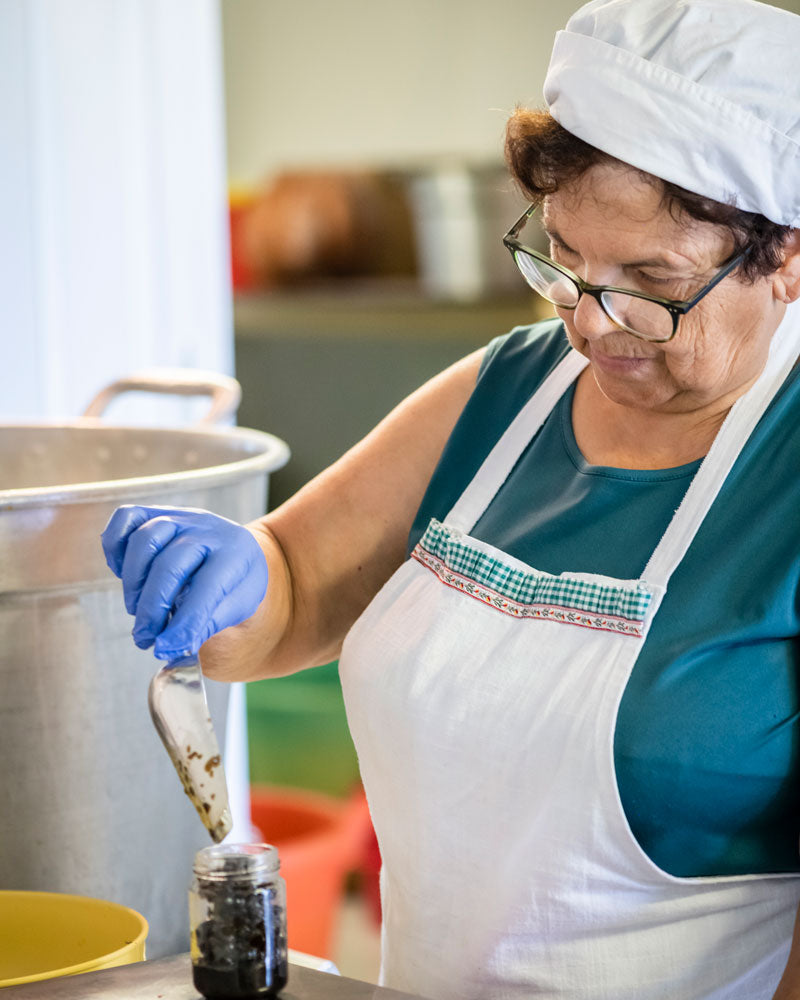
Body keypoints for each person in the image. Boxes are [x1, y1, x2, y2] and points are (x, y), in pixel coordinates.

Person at [101, 0, 800, 996]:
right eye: (562, 258)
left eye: (649, 279)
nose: (592, 326)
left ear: (785, 257)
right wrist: (232, 571)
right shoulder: (509, 390)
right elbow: (296, 591)